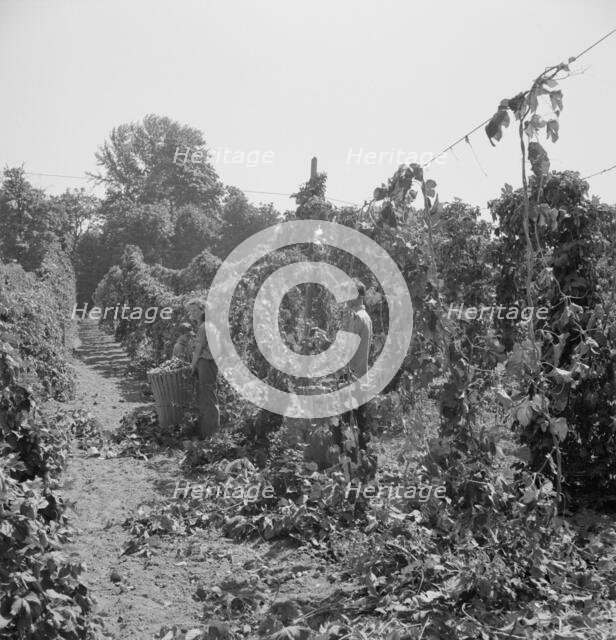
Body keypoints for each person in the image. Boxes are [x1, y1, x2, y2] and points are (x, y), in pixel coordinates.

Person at [340, 279, 373, 451]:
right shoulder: (366, 317)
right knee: (360, 423)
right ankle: (364, 463)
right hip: (361, 375)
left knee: (348, 426)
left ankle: (355, 465)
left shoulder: (356, 318)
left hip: (350, 377)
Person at [185, 298, 220, 438]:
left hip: (206, 362)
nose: (192, 313)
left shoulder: (204, 326)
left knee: (208, 396)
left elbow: (198, 350)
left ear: (202, 310)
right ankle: (206, 431)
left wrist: (192, 367)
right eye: (190, 311)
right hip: (208, 363)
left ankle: (210, 434)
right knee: (206, 395)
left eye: (195, 310)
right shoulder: (208, 325)